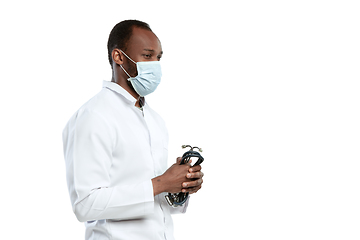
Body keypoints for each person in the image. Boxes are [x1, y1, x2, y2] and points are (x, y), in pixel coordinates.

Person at [62, 20, 204, 240]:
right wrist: (161, 183)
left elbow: (157, 205)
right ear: (118, 57)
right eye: (147, 56)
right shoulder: (93, 116)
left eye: (158, 57)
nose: (155, 64)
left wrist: (179, 187)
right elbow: (85, 204)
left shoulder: (155, 120)